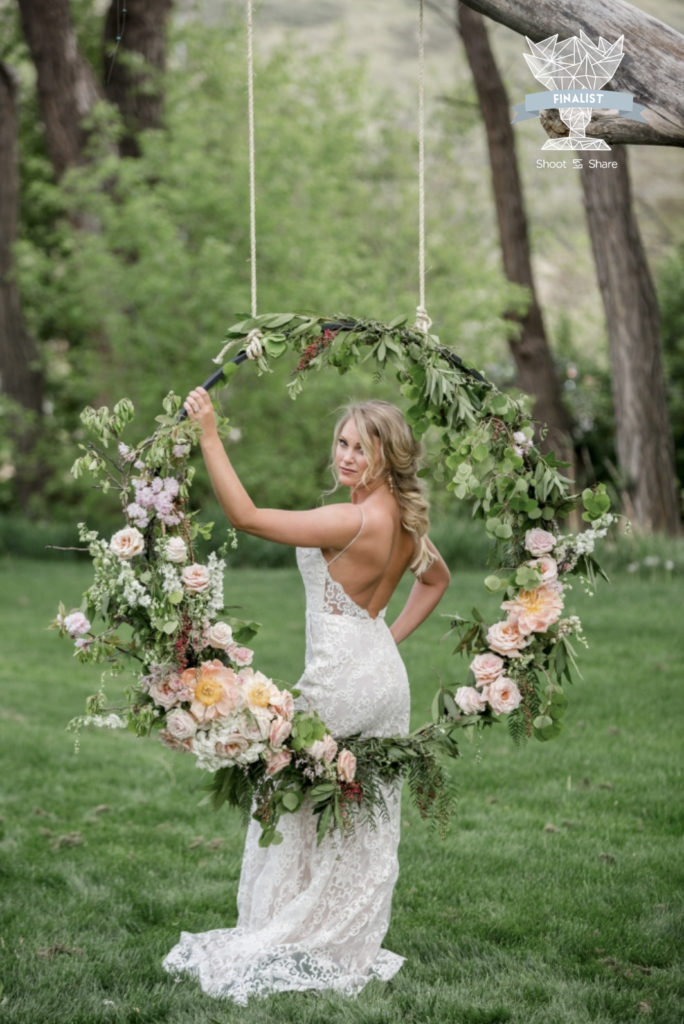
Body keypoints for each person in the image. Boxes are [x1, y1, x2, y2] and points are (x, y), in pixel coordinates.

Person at [162, 389, 450, 1003]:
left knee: (288, 794)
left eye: (362, 448)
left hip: (342, 678)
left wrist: (210, 433)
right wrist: (386, 639)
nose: (346, 457)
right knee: (355, 806)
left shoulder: (350, 520)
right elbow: (436, 579)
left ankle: (287, 928)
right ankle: (340, 934)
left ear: (388, 455)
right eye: (342, 443)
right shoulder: (401, 515)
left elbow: (246, 517)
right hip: (381, 676)